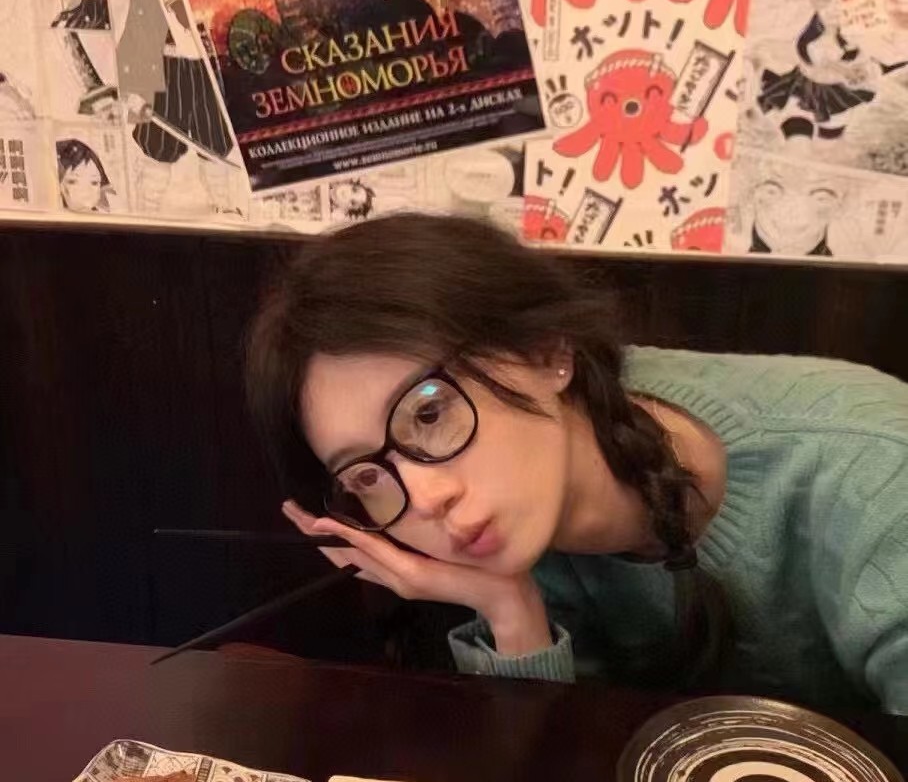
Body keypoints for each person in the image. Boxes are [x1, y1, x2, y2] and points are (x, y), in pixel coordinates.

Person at [246, 212, 908, 714]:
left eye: (428, 413)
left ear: (546, 352)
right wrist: (507, 606)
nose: (422, 499)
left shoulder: (873, 467)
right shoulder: (517, 523)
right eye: (366, 475)